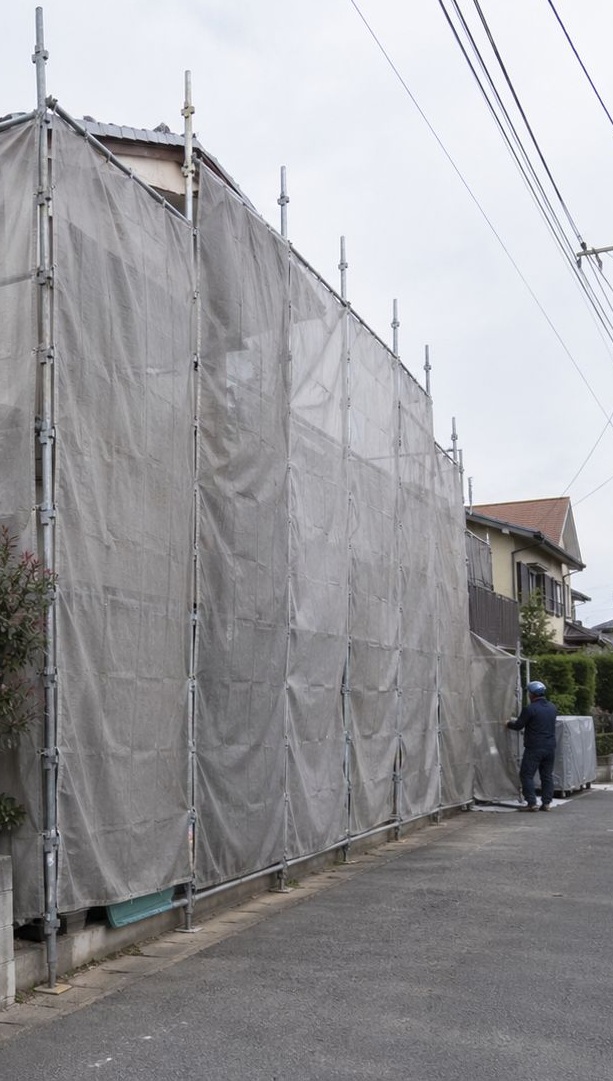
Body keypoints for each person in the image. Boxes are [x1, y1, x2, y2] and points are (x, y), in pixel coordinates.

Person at [506, 680, 557, 812]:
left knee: (526, 774)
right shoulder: (552, 707)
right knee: (546, 775)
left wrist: (507, 723)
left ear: (532, 694)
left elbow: (518, 725)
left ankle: (531, 802)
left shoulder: (530, 709)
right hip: (550, 747)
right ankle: (546, 803)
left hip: (534, 747)